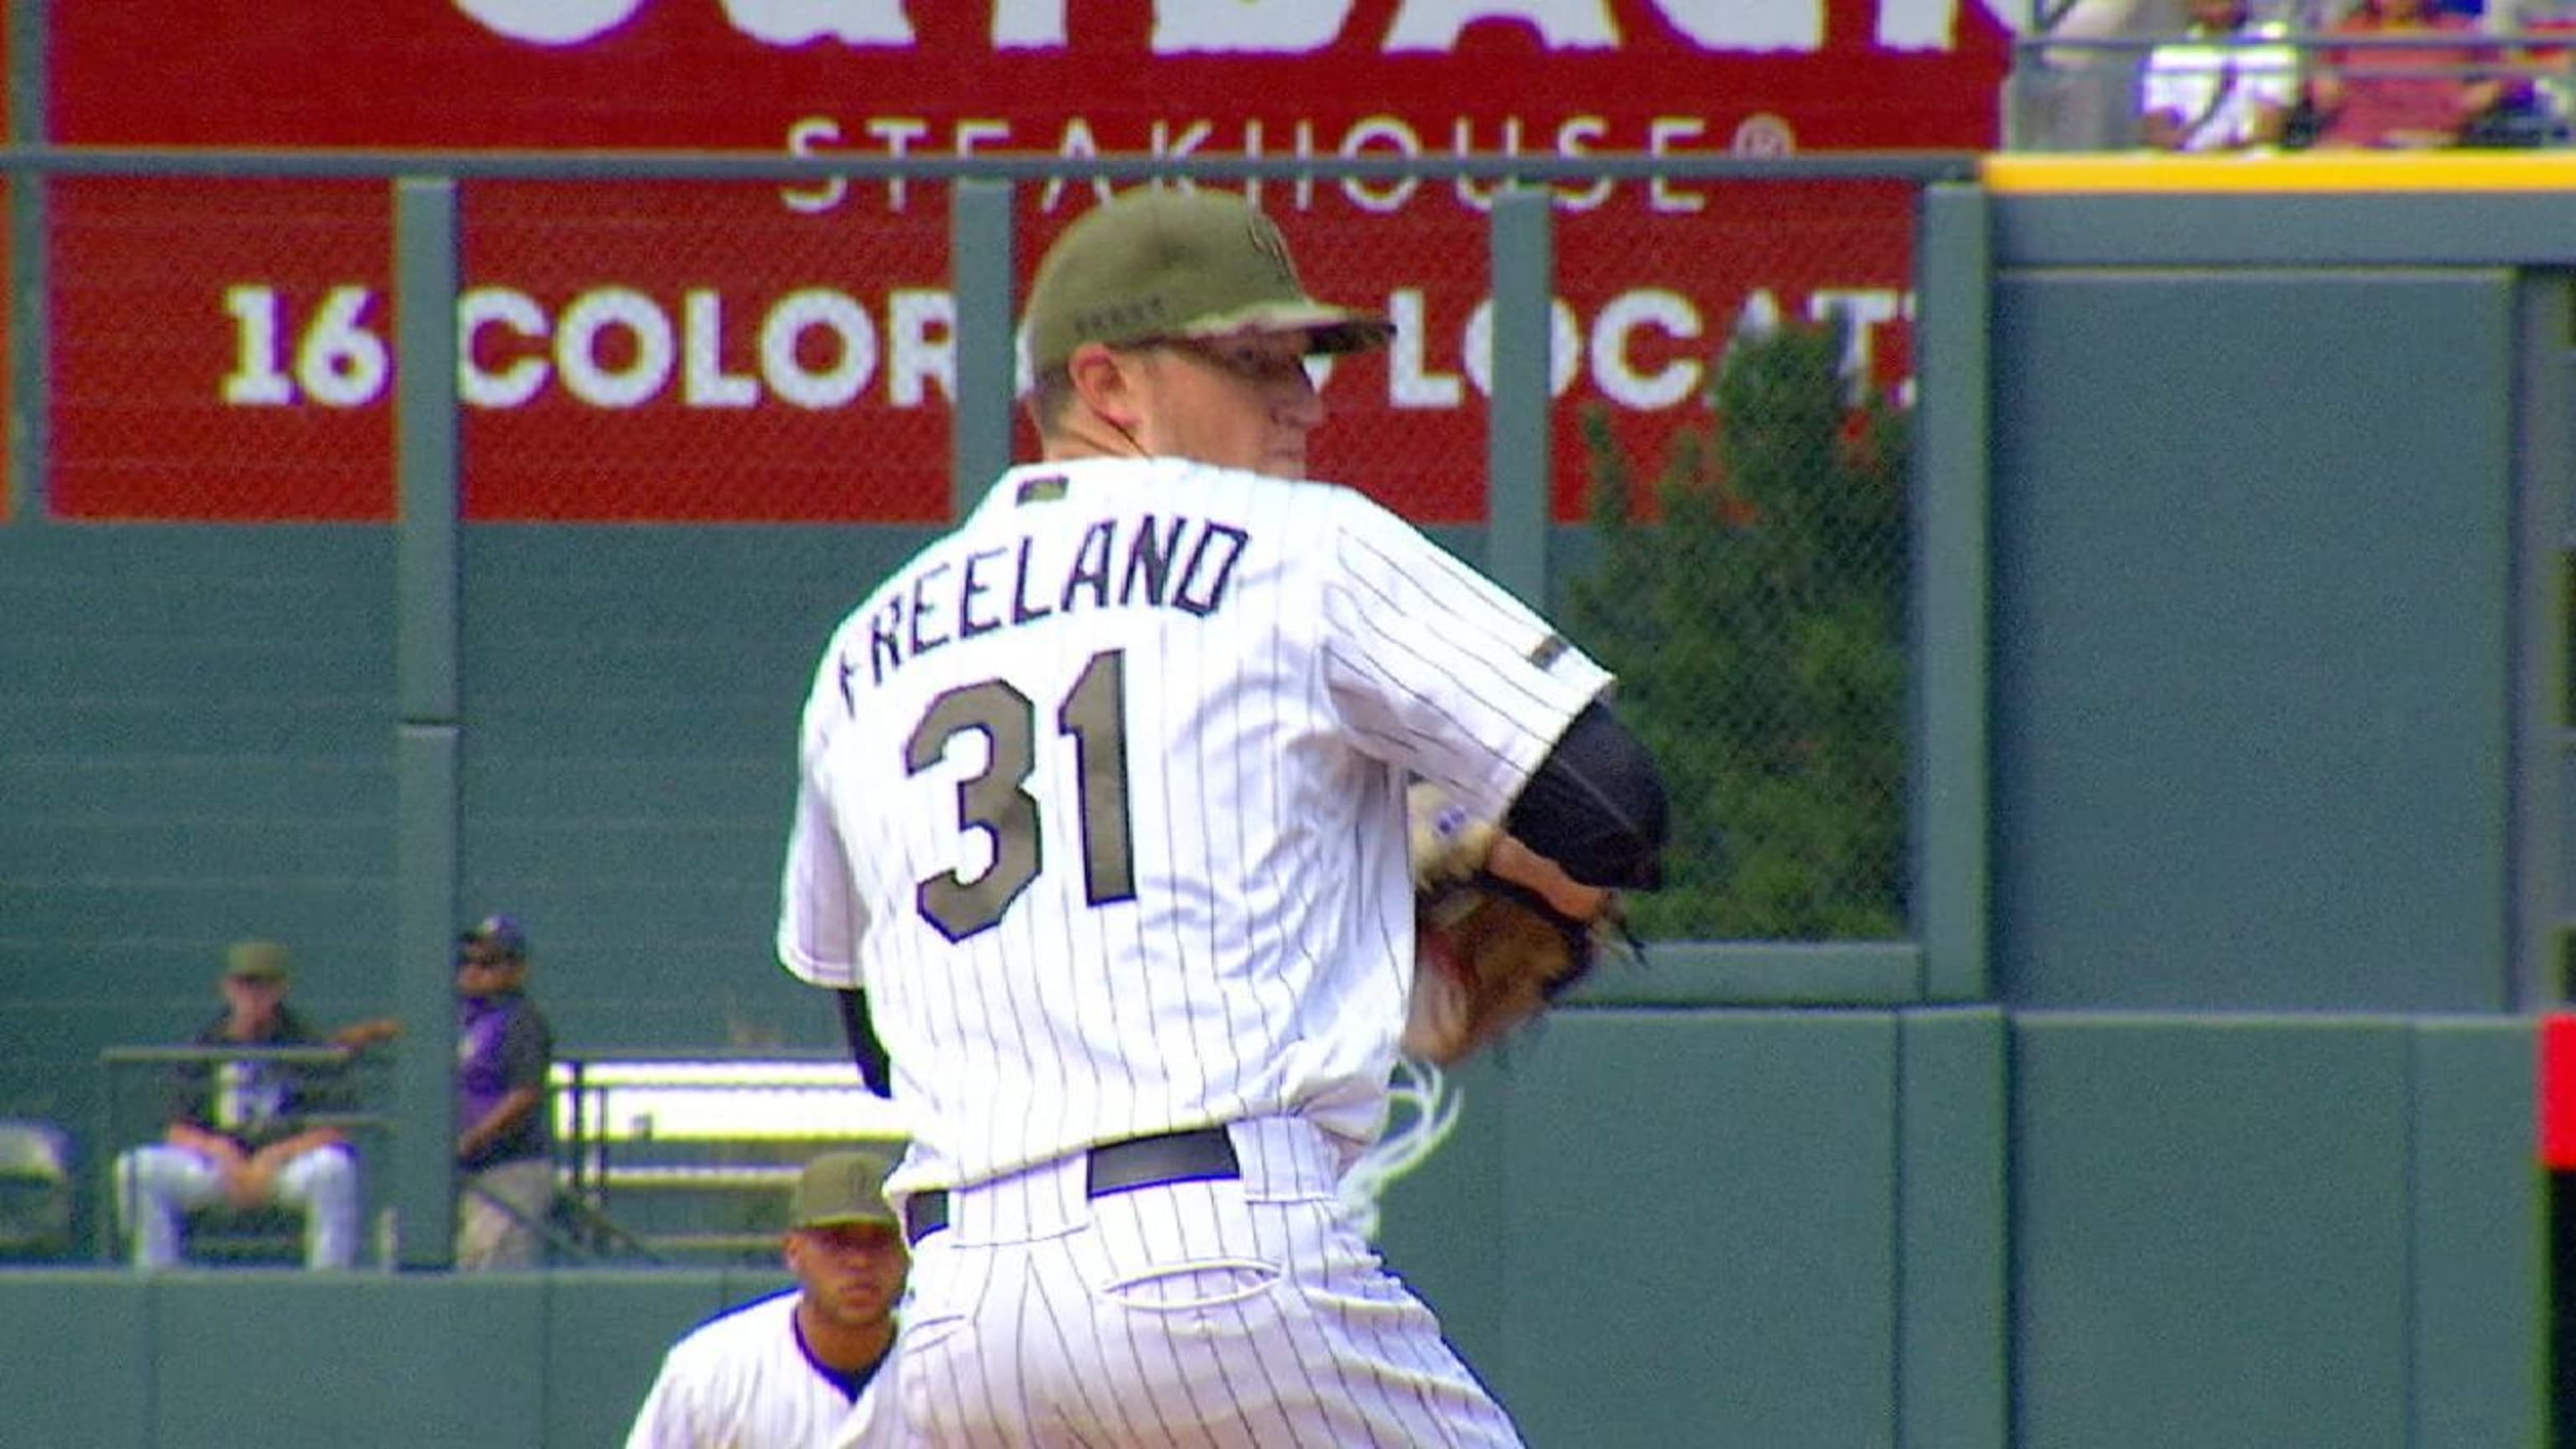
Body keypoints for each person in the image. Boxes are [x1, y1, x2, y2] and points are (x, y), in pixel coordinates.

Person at [775, 186, 1670, 1445]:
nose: (1303, 397)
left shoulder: (866, 649)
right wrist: (1467, 881)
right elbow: (1612, 808)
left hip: (963, 1324)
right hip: (1218, 1261)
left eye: (1305, 362)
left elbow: (875, 1039)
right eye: (1253, 362)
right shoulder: (1297, 547)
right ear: (1108, 383)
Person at [111, 938, 372, 1270]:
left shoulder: (306, 1044)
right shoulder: (207, 1044)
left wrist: (275, 1156)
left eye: (264, 985)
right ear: (227, 987)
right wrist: (218, 1151)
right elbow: (177, 1127)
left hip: (283, 1170)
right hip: (220, 1169)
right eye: (245, 984)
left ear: (281, 988)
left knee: (336, 1172)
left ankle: (328, 1287)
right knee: (137, 1170)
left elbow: (335, 1129)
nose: (253, 995)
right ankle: (160, 1282)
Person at [625, 1148, 909, 1449]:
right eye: (837, 1241)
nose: (860, 1262)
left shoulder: (947, 1366)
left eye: (881, 1240)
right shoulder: (710, 1371)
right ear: (793, 1251)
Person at [454, 912, 556, 1270]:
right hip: (458, 1170)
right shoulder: (460, 1017)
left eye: (489, 962)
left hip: (511, 1167)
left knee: (494, 1261)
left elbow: (526, 1093)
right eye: (465, 961)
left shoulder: (521, 1020)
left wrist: (476, 1136)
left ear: (517, 969)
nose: (473, 970)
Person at [2304, 0, 2503, 146]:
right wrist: (2323, 85)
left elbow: (2508, 75)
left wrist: (2484, 94)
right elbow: (2319, 80)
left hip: (2429, 138)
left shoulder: (2458, 31)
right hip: (2357, 138)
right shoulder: (2347, 32)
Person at [2138, 0, 2303, 150]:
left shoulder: (2272, 48)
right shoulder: (2167, 55)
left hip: (2247, 168)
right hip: (2182, 167)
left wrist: (2215, 154)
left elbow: (2266, 133)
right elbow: (2156, 131)